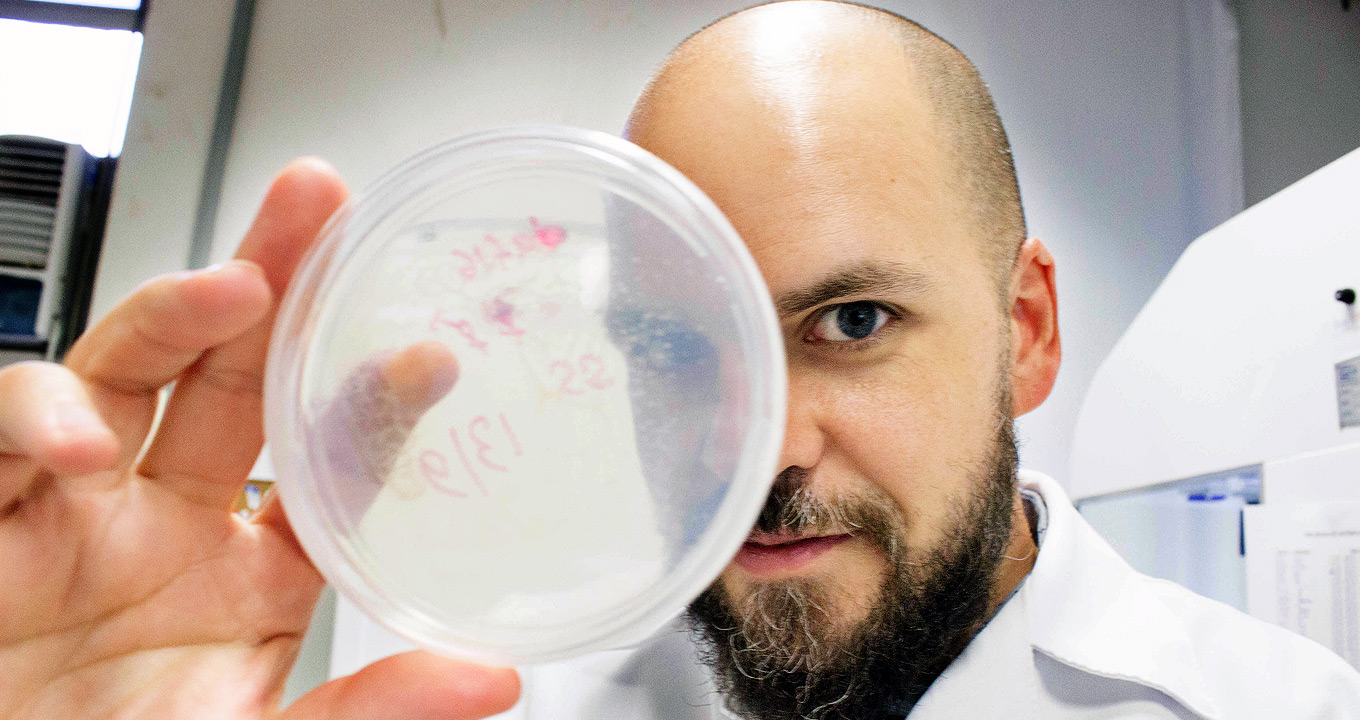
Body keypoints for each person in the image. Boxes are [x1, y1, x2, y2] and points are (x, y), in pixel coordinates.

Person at [0, 2, 1355, 719]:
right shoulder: (498, 698)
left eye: (855, 323)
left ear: (1028, 330)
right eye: (672, 343)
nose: (762, 444)